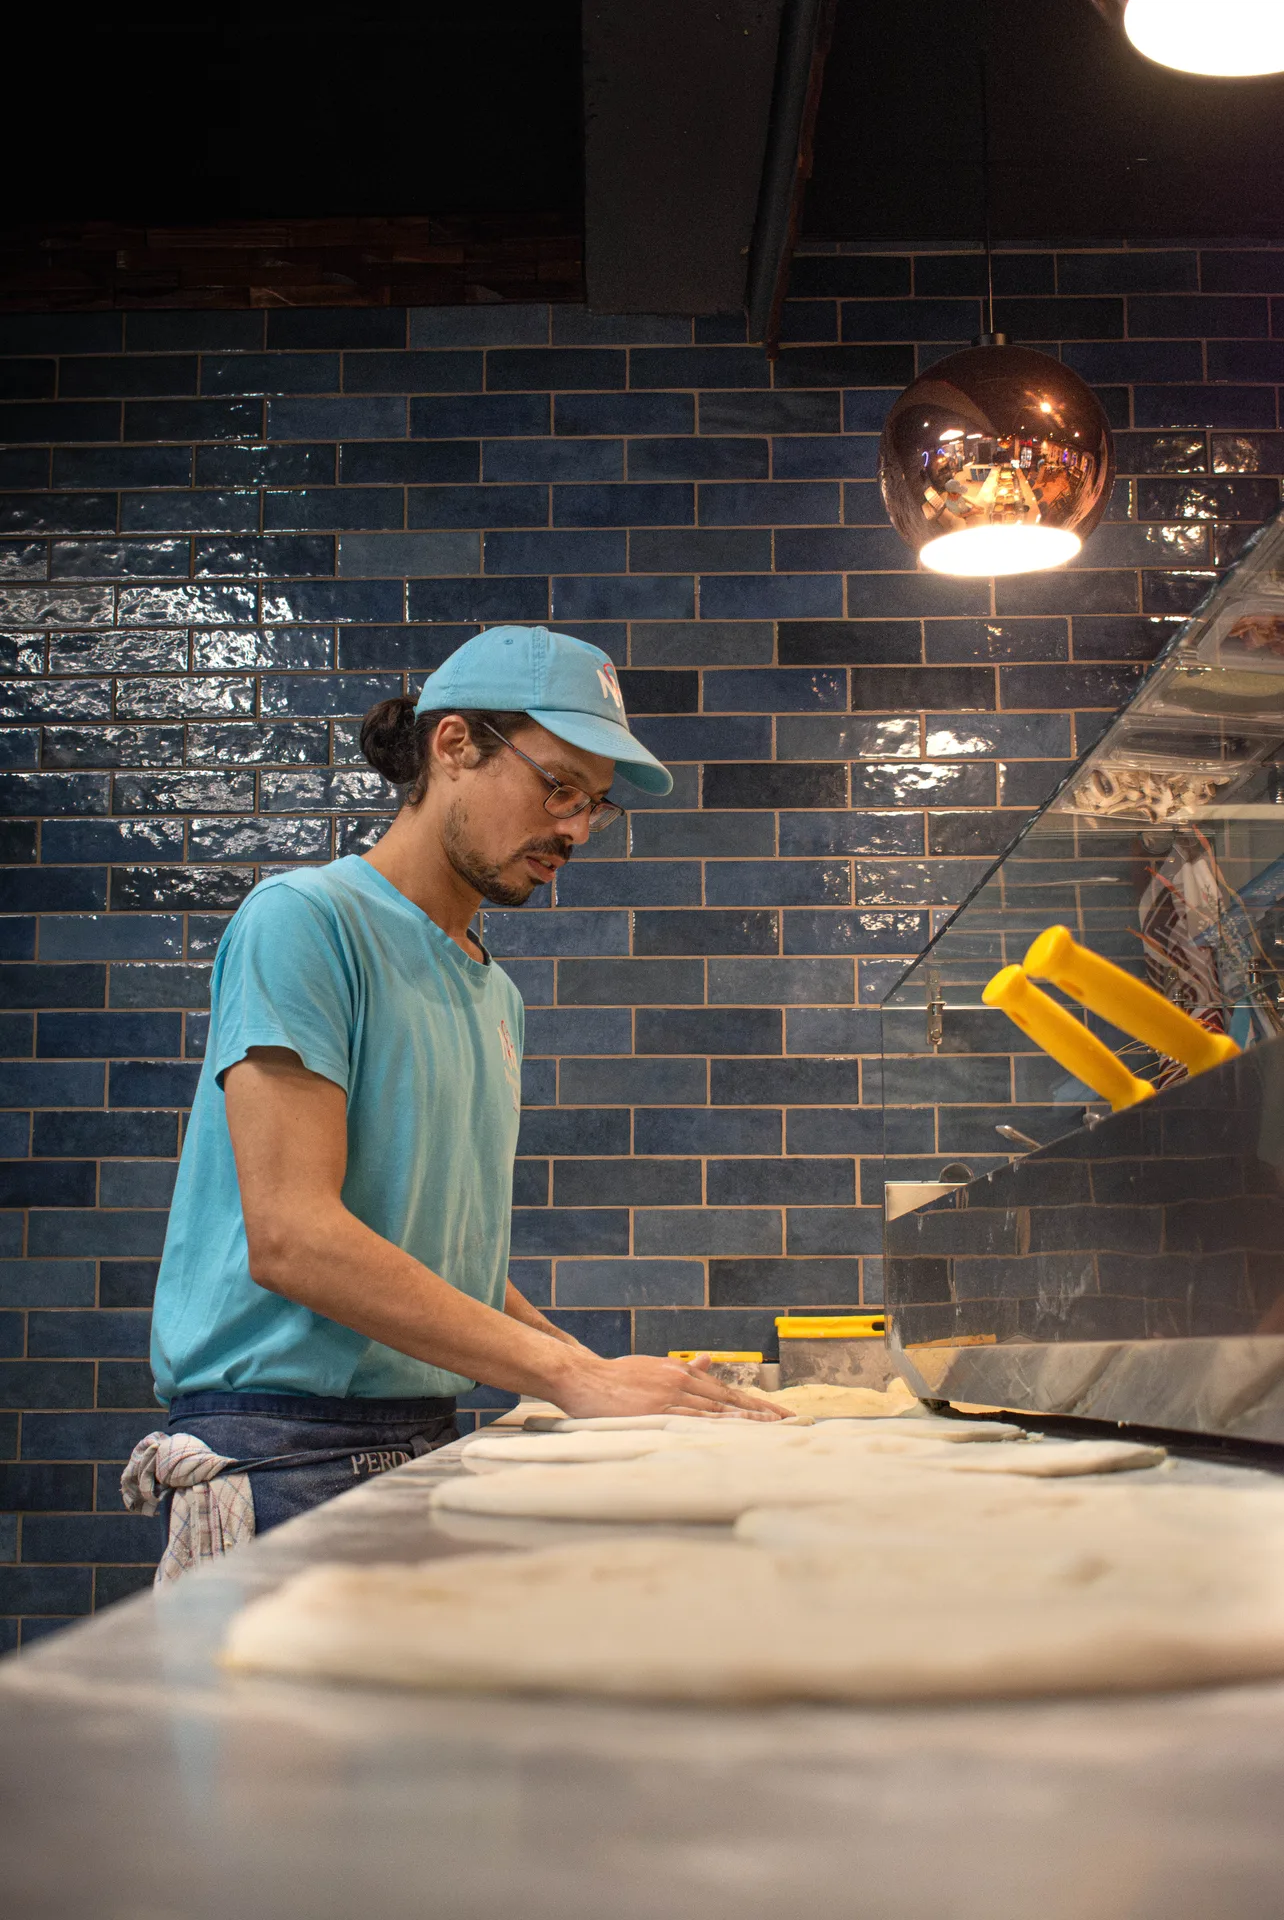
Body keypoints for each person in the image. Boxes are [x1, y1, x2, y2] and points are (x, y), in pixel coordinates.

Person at [126, 625, 780, 1577]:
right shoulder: (305, 922)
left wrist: (591, 1371)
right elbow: (294, 1236)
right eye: (559, 787)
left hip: (421, 1435)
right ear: (455, 745)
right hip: (283, 1453)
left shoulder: (494, 993)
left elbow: (441, 1255)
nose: (575, 831)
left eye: (596, 806)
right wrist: (569, 1374)